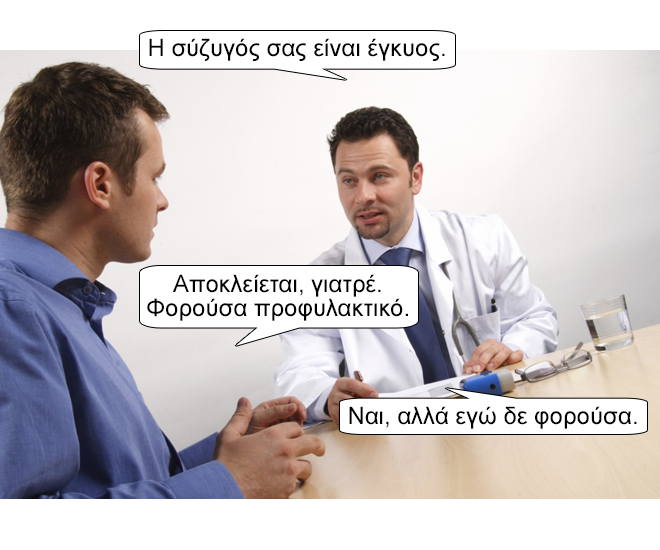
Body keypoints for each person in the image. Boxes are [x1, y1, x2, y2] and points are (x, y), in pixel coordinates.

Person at [0, 62, 324, 499]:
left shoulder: (60, 305)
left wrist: (225, 459)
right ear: (101, 184)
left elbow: (113, 481)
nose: (162, 200)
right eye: (154, 177)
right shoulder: (12, 310)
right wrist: (231, 482)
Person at [275, 107, 559, 424]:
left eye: (379, 176)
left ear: (416, 177)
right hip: (398, 438)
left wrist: (514, 347)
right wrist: (327, 397)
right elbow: (299, 372)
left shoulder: (483, 238)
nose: (363, 196)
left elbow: (535, 318)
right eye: (349, 180)